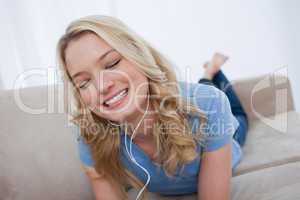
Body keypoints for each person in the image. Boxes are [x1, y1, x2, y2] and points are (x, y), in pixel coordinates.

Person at [56, 15, 248, 200]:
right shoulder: (91, 134)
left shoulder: (210, 104)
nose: (101, 87)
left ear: (138, 55)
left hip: (227, 132)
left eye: (112, 63)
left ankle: (212, 71)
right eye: (83, 83)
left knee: (239, 116)